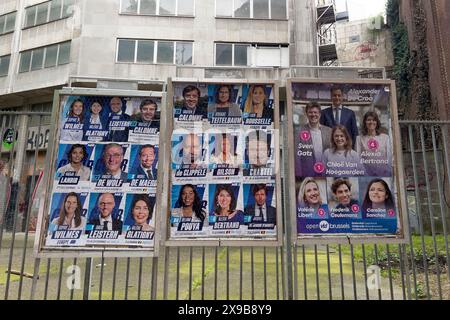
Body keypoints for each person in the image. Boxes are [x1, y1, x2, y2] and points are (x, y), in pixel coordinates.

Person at [295, 102, 332, 177]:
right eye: (310, 112)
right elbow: (297, 156)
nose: (313, 115)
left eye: (315, 112)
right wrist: (299, 175)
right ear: (306, 114)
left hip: (326, 172)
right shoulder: (299, 131)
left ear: (320, 114)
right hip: (308, 173)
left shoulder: (329, 131)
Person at [356, 111, 392, 176]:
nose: (371, 122)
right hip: (366, 174)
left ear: (377, 122)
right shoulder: (359, 139)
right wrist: (365, 174)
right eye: (368, 120)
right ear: (365, 122)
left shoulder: (385, 137)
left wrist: (387, 171)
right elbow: (358, 159)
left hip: (384, 174)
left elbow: (389, 157)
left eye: (374, 120)